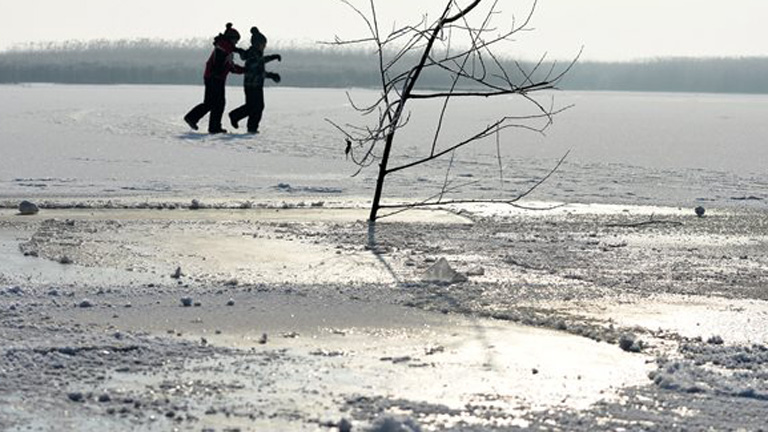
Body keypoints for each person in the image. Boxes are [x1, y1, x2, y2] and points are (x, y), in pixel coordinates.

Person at [184, 23, 245, 134]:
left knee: (211, 103)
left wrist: (244, 70)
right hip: (214, 78)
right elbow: (224, 59)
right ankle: (212, 126)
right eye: (236, 40)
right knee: (218, 103)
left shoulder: (226, 48)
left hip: (215, 78)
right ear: (231, 39)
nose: (236, 43)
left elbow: (230, 66)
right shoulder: (223, 46)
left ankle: (196, 120)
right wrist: (238, 50)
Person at [228, 27, 281, 134]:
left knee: (253, 106)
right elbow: (258, 71)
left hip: (253, 85)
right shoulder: (254, 55)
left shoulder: (255, 53)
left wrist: (273, 57)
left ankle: (247, 124)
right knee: (256, 106)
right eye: (263, 44)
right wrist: (271, 75)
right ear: (258, 44)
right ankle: (241, 120)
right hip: (253, 85)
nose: (264, 46)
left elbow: (262, 61)